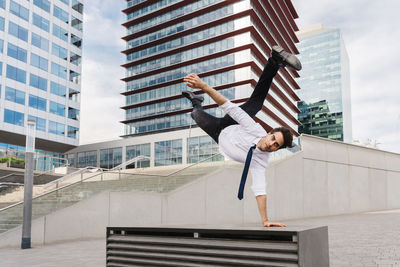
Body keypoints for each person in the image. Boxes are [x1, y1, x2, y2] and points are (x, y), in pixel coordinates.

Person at [182, 46, 301, 227]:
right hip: (232, 124)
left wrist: (265, 220)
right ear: (269, 133)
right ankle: (274, 61)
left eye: (276, 145)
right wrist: (204, 86)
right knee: (255, 104)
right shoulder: (255, 129)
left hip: (218, 134)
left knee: (196, 114)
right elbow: (229, 107)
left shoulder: (260, 162)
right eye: (273, 139)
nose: (271, 144)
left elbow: (260, 191)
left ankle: (196, 101)